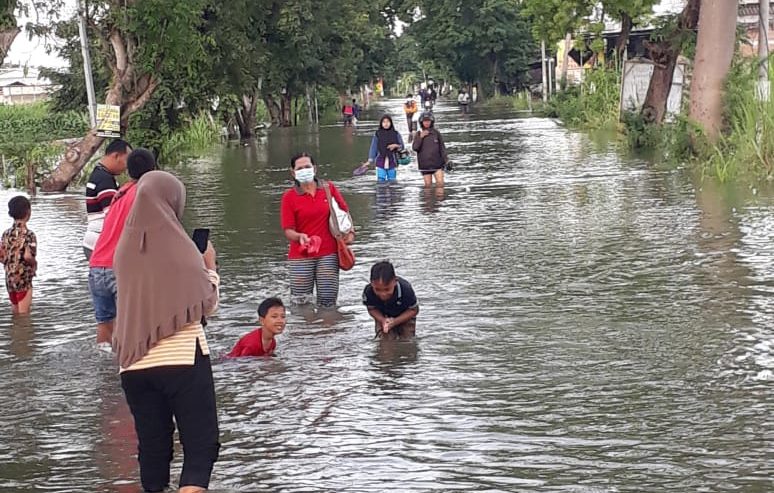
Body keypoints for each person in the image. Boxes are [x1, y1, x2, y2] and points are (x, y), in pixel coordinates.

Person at [113, 170, 220, 493]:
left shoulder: (123, 251)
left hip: (132, 365)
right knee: (201, 448)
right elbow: (207, 304)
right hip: (182, 357)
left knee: (154, 451)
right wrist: (210, 267)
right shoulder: (183, 249)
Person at [88, 149, 156, 351]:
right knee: (132, 327)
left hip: (96, 265)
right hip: (119, 268)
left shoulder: (121, 192)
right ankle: (128, 366)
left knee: (105, 323)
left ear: (129, 171)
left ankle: (105, 372)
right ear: (152, 171)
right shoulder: (144, 193)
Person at [280, 153, 351, 307]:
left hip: (329, 253)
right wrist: (299, 236)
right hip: (301, 255)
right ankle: (307, 331)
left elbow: (344, 213)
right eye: (300, 168)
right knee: (301, 303)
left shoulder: (328, 188)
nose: (304, 170)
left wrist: (350, 234)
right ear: (293, 172)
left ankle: (328, 330)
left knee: (328, 303)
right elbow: (288, 230)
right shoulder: (289, 197)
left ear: (315, 169)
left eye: (307, 167)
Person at [83, 139, 131, 260]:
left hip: (94, 240)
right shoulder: (105, 180)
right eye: (127, 160)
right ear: (116, 156)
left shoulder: (99, 174)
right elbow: (113, 214)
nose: (127, 166)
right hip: (100, 242)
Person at [363, 260, 418, 340]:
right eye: (377, 290)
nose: (383, 294)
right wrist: (382, 320)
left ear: (395, 281)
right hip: (382, 316)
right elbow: (371, 309)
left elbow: (414, 310)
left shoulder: (405, 290)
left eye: (387, 289)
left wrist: (395, 321)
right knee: (385, 341)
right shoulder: (368, 292)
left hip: (405, 316)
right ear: (371, 283)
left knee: (407, 340)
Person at [0, 196, 37, 315]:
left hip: (9, 280)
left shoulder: (6, 234)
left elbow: (2, 256)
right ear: (28, 212)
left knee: (15, 314)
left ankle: (14, 333)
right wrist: (34, 264)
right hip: (23, 280)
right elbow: (27, 256)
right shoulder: (29, 235)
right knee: (24, 317)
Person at [413, 112, 449, 188]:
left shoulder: (436, 133)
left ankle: (439, 200)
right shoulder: (418, 134)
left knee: (440, 185)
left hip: (437, 164)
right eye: (425, 121)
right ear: (421, 122)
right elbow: (415, 148)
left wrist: (446, 160)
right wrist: (421, 137)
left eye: (428, 121)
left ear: (432, 122)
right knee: (427, 187)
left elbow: (442, 148)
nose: (426, 123)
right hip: (425, 166)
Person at [367, 115, 405, 182]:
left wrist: (395, 145)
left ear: (391, 123)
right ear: (381, 124)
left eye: (388, 121)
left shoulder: (396, 134)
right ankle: (382, 192)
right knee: (381, 180)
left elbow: (402, 146)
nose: (386, 124)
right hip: (380, 159)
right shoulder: (377, 134)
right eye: (384, 122)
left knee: (392, 180)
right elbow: (373, 147)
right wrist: (371, 159)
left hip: (392, 160)